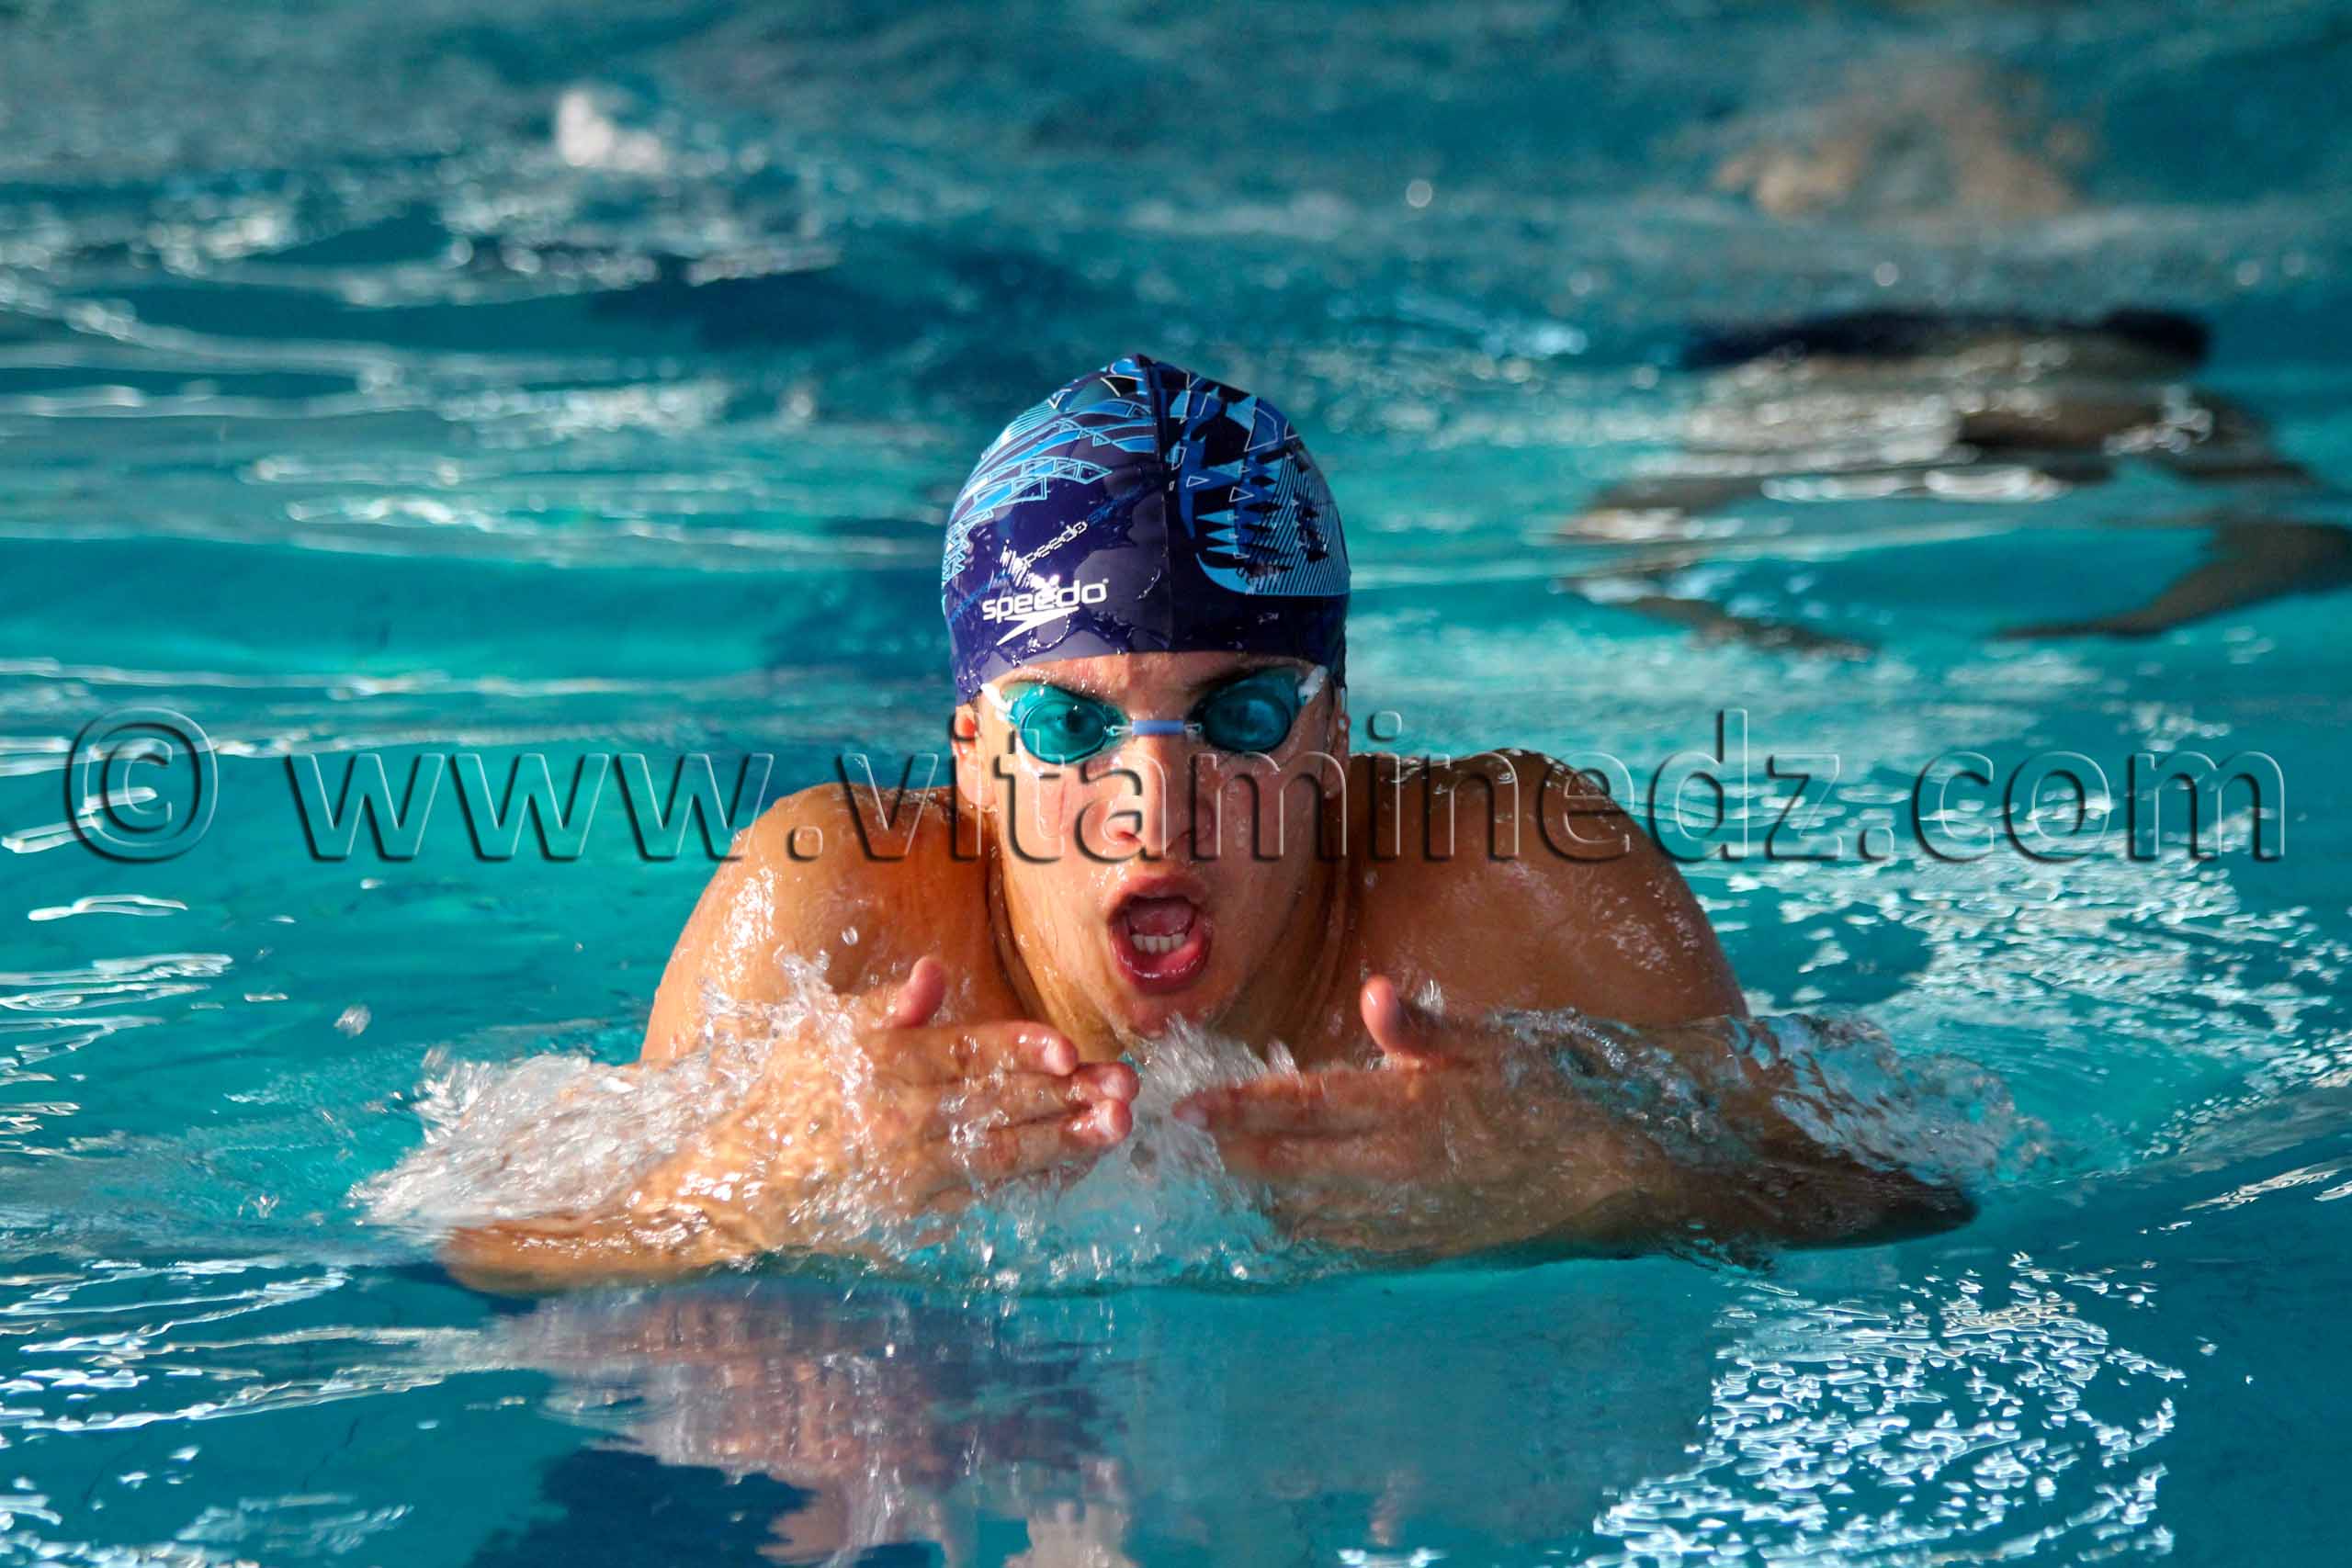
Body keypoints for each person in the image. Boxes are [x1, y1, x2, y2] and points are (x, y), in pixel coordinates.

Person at [445, 355, 1964, 1291]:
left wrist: (1592, 1173)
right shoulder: (832, 895)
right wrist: (765, 1176)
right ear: (972, 758)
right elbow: (488, 1242)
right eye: (1069, 725)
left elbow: (1898, 1200)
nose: (1154, 799)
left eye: (1239, 713)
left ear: (1335, 740)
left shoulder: (1514, 878)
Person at [1561, 310, 2339, 650]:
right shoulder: (1817, 416)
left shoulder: (2130, 404)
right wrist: (2144, 620)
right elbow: (2306, 540)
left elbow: (1601, 546)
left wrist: (1728, 625)